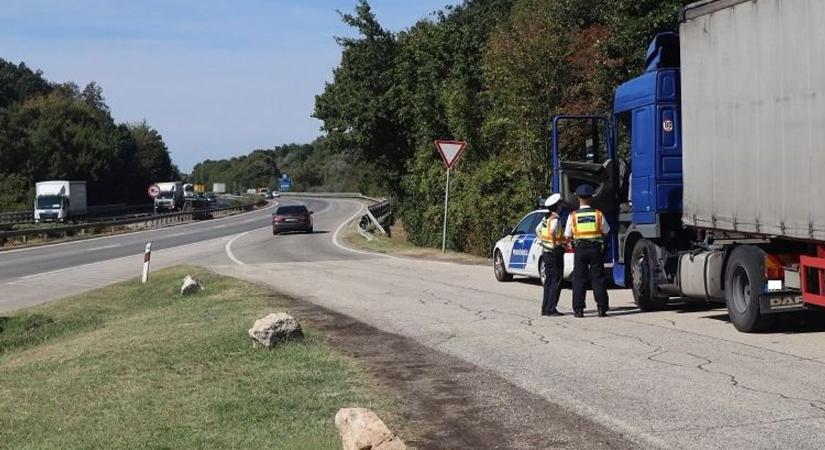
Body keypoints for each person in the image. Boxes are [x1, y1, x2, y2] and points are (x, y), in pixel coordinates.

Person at [564, 184, 610, 318]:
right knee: (598, 278)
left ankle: (579, 310)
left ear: (578, 198)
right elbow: (606, 231)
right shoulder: (598, 214)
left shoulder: (573, 216)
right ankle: (602, 308)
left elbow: (567, 235)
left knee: (579, 279)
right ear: (590, 198)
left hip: (580, 250)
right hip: (595, 250)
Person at [536, 194, 566, 316]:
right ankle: (551, 308)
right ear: (557, 206)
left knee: (548, 281)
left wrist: (543, 241)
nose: (561, 206)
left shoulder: (546, 218)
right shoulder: (555, 219)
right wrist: (554, 244)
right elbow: (553, 231)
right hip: (554, 252)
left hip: (546, 252)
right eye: (560, 204)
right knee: (556, 281)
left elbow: (537, 229)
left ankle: (545, 308)